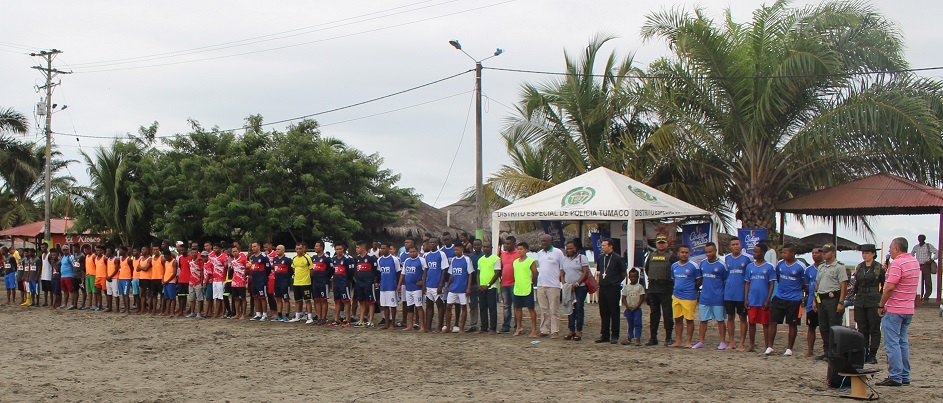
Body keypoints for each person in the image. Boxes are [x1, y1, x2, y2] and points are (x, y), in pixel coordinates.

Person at [876, 237, 920, 387]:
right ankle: (904, 375)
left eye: (890, 248)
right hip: (908, 308)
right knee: (903, 342)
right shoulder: (914, 262)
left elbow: (889, 287)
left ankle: (895, 376)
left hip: (895, 308)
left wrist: (881, 305)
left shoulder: (897, 263)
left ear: (897, 249)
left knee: (892, 343)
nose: (889, 251)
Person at [847, 244, 885, 365]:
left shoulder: (878, 268)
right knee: (862, 328)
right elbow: (857, 284)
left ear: (873, 254)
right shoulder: (859, 267)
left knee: (874, 328)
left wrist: (881, 300)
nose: (864, 255)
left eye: (867, 253)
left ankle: (872, 355)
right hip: (860, 299)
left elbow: (884, 284)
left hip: (873, 299)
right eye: (863, 253)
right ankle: (863, 352)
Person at [812, 243, 847, 359]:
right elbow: (818, 284)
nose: (823, 254)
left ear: (832, 252)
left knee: (834, 326)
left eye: (826, 252)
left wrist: (841, 302)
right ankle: (826, 351)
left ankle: (834, 352)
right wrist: (814, 300)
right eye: (822, 252)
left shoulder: (839, 267)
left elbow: (843, 285)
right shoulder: (821, 267)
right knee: (823, 327)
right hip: (821, 299)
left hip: (833, 299)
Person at [769, 244, 805, 356]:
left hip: (794, 299)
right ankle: (770, 346)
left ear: (792, 253)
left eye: (785, 252)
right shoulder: (780, 264)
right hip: (780, 297)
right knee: (773, 321)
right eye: (782, 252)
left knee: (792, 324)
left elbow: (804, 282)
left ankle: (789, 348)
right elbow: (778, 277)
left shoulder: (801, 266)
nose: (783, 254)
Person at [644, 235, 679, 346]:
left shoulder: (672, 257)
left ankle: (668, 338)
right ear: (656, 244)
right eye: (659, 242)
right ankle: (653, 338)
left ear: (667, 244)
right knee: (654, 314)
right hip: (653, 289)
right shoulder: (651, 256)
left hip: (666, 289)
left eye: (663, 242)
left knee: (667, 314)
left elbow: (677, 269)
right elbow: (647, 269)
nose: (661, 244)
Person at [696, 242, 727, 350]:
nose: (708, 254)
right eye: (707, 252)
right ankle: (701, 341)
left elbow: (725, 281)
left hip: (718, 297)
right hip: (705, 297)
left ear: (715, 251)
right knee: (703, 320)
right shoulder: (703, 264)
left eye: (710, 251)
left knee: (720, 320)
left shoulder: (722, 265)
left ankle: (723, 342)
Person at [744, 243, 775, 353]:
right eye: (754, 251)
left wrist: (768, 299)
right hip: (752, 299)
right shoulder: (750, 267)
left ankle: (767, 345)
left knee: (765, 323)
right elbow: (747, 283)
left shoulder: (769, 267)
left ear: (763, 253)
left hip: (763, 300)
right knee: (751, 322)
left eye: (756, 251)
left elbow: (772, 284)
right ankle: (752, 345)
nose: (754, 254)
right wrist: (746, 298)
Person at [669, 245, 701, 348]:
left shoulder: (694, 266)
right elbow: (674, 279)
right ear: (678, 253)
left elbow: (699, 280)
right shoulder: (674, 266)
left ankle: (689, 341)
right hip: (676, 296)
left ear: (689, 253)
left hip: (689, 297)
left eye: (686, 252)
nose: (684, 254)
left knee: (689, 319)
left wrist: (691, 288)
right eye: (682, 252)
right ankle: (678, 341)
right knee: (678, 319)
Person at [597, 238, 627, 344]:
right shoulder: (601, 258)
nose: (602, 247)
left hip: (613, 288)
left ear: (611, 246)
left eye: (604, 245)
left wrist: (616, 281)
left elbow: (623, 273)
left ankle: (615, 335)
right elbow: (600, 271)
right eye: (602, 245)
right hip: (603, 287)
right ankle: (604, 335)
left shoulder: (617, 258)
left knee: (614, 312)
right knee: (603, 312)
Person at [724, 238, 752, 351]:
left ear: (740, 245)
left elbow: (750, 277)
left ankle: (742, 343)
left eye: (737, 244)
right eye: (733, 245)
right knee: (730, 317)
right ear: (730, 246)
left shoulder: (747, 258)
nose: (735, 246)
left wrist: (747, 295)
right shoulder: (727, 258)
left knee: (742, 318)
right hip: (729, 293)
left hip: (741, 293)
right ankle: (731, 342)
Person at [535, 234, 565, 338]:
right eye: (542, 241)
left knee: (554, 309)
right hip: (541, 285)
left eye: (545, 241)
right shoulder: (539, 253)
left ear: (550, 241)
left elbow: (562, 268)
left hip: (553, 285)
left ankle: (555, 331)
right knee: (543, 309)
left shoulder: (558, 253)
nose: (543, 243)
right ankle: (544, 330)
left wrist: (563, 282)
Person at [443, 243, 474, 333]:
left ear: (461, 249)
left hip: (462, 288)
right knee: (448, 306)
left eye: (457, 250)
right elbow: (451, 274)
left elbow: (470, 274)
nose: (456, 252)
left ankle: (461, 327)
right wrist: (448, 285)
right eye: (455, 250)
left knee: (463, 307)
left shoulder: (467, 260)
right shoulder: (453, 260)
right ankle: (448, 326)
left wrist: (468, 288)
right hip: (453, 287)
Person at [562, 240, 589, 341]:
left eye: (571, 248)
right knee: (569, 308)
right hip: (568, 287)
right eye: (567, 248)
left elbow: (585, 272)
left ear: (576, 248)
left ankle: (579, 330)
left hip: (580, 287)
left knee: (578, 307)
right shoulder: (564, 260)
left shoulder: (582, 258)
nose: (569, 250)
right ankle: (571, 329)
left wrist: (577, 283)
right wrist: (564, 284)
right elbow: (562, 273)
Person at [398, 245, 428, 332]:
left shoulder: (421, 260)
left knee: (419, 306)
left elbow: (426, 272)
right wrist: (399, 284)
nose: (412, 253)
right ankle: (410, 325)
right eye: (410, 252)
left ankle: (422, 326)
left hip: (417, 288)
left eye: (414, 252)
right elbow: (403, 273)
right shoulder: (407, 261)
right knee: (409, 307)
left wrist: (423, 282)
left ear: (417, 251)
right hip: (408, 288)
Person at [512, 242, 538, 338]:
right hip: (518, 288)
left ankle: (534, 329)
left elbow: (535, 273)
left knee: (531, 309)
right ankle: (519, 327)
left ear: (526, 250)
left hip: (527, 287)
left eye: (521, 249)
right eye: (518, 249)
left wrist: (532, 282)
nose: (519, 251)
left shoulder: (530, 261)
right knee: (517, 308)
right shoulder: (515, 262)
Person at [424, 237, 450, 333]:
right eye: (430, 242)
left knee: (439, 305)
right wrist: (424, 285)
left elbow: (444, 270)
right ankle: (428, 326)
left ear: (438, 243)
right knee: (429, 305)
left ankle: (439, 326)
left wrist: (440, 284)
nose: (432, 244)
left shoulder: (441, 254)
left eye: (434, 242)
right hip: (429, 284)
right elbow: (426, 270)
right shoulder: (427, 255)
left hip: (437, 284)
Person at [476, 241, 501, 335]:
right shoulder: (480, 259)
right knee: (482, 308)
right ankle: (483, 327)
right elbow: (478, 273)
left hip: (491, 287)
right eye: (484, 247)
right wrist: (479, 285)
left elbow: (497, 273)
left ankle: (493, 328)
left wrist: (488, 285)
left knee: (492, 308)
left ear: (491, 248)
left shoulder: (496, 259)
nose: (485, 248)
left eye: (487, 247)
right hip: (481, 287)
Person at [353, 241, 379, 327]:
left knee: (371, 301)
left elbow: (376, 270)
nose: (356, 249)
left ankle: (370, 320)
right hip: (360, 282)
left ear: (363, 248)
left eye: (358, 247)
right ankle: (361, 320)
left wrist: (376, 281)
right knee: (362, 301)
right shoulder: (358, 258)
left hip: (369, 282)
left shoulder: (371, 258)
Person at [377, 244, 402, 330]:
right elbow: (379, 273)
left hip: (392, 286)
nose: (382, 250)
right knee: (384, 305)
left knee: (393, 305)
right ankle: (386, 323)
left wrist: (398, 285)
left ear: (388, 249)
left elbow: (398, 272)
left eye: (384, 248)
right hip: (383, 286)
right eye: (381, 248)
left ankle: (393, 324)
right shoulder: (379, 260)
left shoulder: (394, 259)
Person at [804, 248, 823, 358]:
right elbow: (807, 285)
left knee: (824, 327)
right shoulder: (808, 270)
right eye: (813, 253)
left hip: (824, 302)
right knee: (811, 327)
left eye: (817, 253)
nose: (815, 255)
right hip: (812, 302)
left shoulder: (825, 268)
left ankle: (827, 350)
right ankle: (810, 350)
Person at [329, 244, 354, 327]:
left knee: (346, 301)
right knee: (337, 301)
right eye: (337, 249)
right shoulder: (334, 259)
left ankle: (347, 319)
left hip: (344, 283)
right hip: (336, 283)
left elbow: (350, 272)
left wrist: (348, 281)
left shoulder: (347, 259)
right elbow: (332, 271)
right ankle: (337, 319)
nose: (339, 251)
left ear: (343, 249)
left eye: (340, 249)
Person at [289, 243, 314, 324]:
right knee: (297, 300)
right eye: (297, 249)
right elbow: (293, 268)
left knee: (307, 300)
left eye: (300, 248)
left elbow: (311, 270)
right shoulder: (295, 258)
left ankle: (309, 317)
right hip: (296, 283)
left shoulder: (307, 258)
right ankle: (297, 316)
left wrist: (308, 278)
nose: (299, 250)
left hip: (305, 283)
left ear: (303, 249)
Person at [498, 236, 518, 333]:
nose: (506, 245)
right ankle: (506, 325)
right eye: (505, 243)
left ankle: (517, 325)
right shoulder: (503, 254)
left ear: (514, 244)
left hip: (515, 283)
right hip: (504, 284)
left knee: (516, 305)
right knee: (506, 306)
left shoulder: (518, 253)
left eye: (508, 243)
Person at [620, 269, 646, 346]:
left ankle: (638, 338)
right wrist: (627, 306)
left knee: (637, 323)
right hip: (629, 308)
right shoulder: (626, 287)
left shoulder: (640, 287)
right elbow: (624, 297)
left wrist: (637, 306)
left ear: (638, 277)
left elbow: (642, 297)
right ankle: (629, 337)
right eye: (631, 277)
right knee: (630, 323)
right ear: (629, 277)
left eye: (635, 277)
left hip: (637, 309)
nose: (633, 278)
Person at [248, 242, 272, 321]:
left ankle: (264, 314)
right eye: (252, 247)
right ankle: (258, 313)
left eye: (255, 246)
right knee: (255, 297)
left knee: (262, 297)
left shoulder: (263, 257)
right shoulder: (252, 257)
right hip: (254, 280)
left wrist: (263, 276)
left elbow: (268, 268)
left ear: (258, 247)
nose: (253, 248)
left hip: (261, 280)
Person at [310, 241, 332, 325]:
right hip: (315, 282)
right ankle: (319, 317)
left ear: (321, 247)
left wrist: (326, 277)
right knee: (316, 300)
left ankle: (323, 318)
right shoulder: (314, 258)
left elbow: (331, 270)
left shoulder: (327, 258)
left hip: (324, 282)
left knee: (324, 300)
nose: (315, 247)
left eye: (317, 246)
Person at [271, 245, 294, 322]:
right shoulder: (275, 259)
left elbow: (291, 271)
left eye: (279, 249)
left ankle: (287, 315)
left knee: (286, 299)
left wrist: (287, 277)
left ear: (283, 250)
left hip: (285, 282)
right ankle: (279, 314)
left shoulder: (287, 260)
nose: (277, 250)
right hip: (277, 282)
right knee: (278, 299)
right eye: (276, 249)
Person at [466, 239, 483, 333]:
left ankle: (484, 324)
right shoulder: (470, 257)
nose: (476, 246)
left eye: (478, 245)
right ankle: (473, 324)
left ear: (481, 245)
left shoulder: (484, 256)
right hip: (472, 284)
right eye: (475, 245)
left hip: (482, 283)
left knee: (484, 305)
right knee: (473, 305)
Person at [228, 246, 248, 320]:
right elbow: (232, 270)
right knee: (235, 298)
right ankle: (237, 313)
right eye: (233, 252)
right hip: (234, 282)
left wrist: (244, 276)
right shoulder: (232, 261)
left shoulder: (243, 259)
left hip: (241, 281)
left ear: (238, 251)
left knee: (243, 298)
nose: (234, 253)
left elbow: (247, 268)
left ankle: (243, 314)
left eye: (236, 251)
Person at [186, 249, 205, 318]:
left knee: (199, 298)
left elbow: (202, 271)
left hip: (198, 282)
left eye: (195, 253)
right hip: (191, 282)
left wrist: (202, 281)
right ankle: (192, 312)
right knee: (191, 298)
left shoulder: (200, 262)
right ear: (191, 254)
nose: (194, 254)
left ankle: (199, 313)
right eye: (192, 253)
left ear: (197, 253)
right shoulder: (190, 261)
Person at [117, 246, 133, 314]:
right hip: (120, 278)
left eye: (121, 251)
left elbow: (132, 268)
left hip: (127, 278)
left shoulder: (128, 259)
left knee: (126, 294)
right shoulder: (120, 259)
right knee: (123, 294)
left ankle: (128, 309)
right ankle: (125, 308)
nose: (120, 252)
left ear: (125, 251)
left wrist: (131, 276)